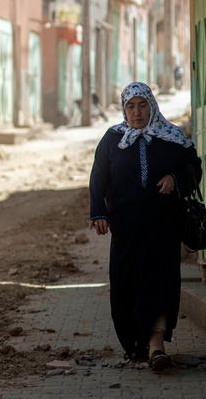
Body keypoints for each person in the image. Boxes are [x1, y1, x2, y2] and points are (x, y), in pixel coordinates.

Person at [89, 81, 202, 371]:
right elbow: (98, 176)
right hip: (125, 229)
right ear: (123, 109)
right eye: (131, 106)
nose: (137, 113)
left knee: (159, 283)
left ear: (151, 106)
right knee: (126, 284)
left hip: (163, 226)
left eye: (142, 105)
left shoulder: (172, 137)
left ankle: (156, 345)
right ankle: (135, 345)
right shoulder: (112, 139)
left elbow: (194, 167)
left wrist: (176, 179)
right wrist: (98, 213)